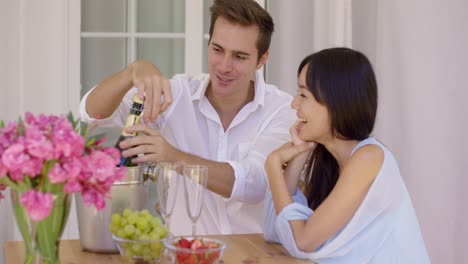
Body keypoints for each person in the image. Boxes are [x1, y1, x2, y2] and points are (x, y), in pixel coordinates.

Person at [79, 0, 295, 236]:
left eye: (239, 57)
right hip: (184, 254)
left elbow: (254, 184)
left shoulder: (281, 109)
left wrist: (173, 157)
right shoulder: (176, 96)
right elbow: (92, 114)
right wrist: (132, 72)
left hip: (255, 256)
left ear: (262, 58)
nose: (224, 66)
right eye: (217, 49)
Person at [263, 48, 430, 263]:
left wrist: (274, 166)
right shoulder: (329, 162)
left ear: (336, 102)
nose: (294, 104)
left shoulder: (369, 158)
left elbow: (302, 240)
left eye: (303, 95)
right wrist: (300, 154)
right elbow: (276, 233)